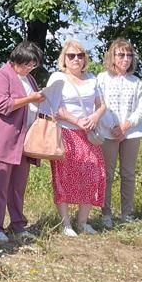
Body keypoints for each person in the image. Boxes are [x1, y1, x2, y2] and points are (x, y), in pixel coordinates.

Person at [0, 41, 46, 242]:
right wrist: (30, 99)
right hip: (3, 140)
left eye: (33, 65)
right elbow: (2, 105)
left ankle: (17, 224)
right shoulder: (1, 75)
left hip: (23, 141)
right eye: (27, 64)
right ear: (17, 59)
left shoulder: (29, 79)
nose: (30, 68)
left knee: (17, 186)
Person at [45, 41, 106, 236]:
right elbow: (53, 105)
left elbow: (101, 105)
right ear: (64, 58)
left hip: (88, 133)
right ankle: (66, 224)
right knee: (63, 176)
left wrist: (94, 117)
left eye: (80, 55)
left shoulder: (91, 78)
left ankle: (83, 221)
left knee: (92, 173)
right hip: (66, 131)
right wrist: (76, 120)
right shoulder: (57, 77)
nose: (76, 59)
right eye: (71, 55)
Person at [96, 39, 142, 227]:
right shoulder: (101, 79)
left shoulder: (136, 82)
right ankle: (106, 213)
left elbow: (141, 108)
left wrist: (125, 126)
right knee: (107, 174)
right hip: (108, 131)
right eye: (121, 55)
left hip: (131, 133)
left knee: (128, 173)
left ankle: (127, 213)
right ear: (112, 56)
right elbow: (100, 104)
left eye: (129, 55)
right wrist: (113, 126)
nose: (125, 59)